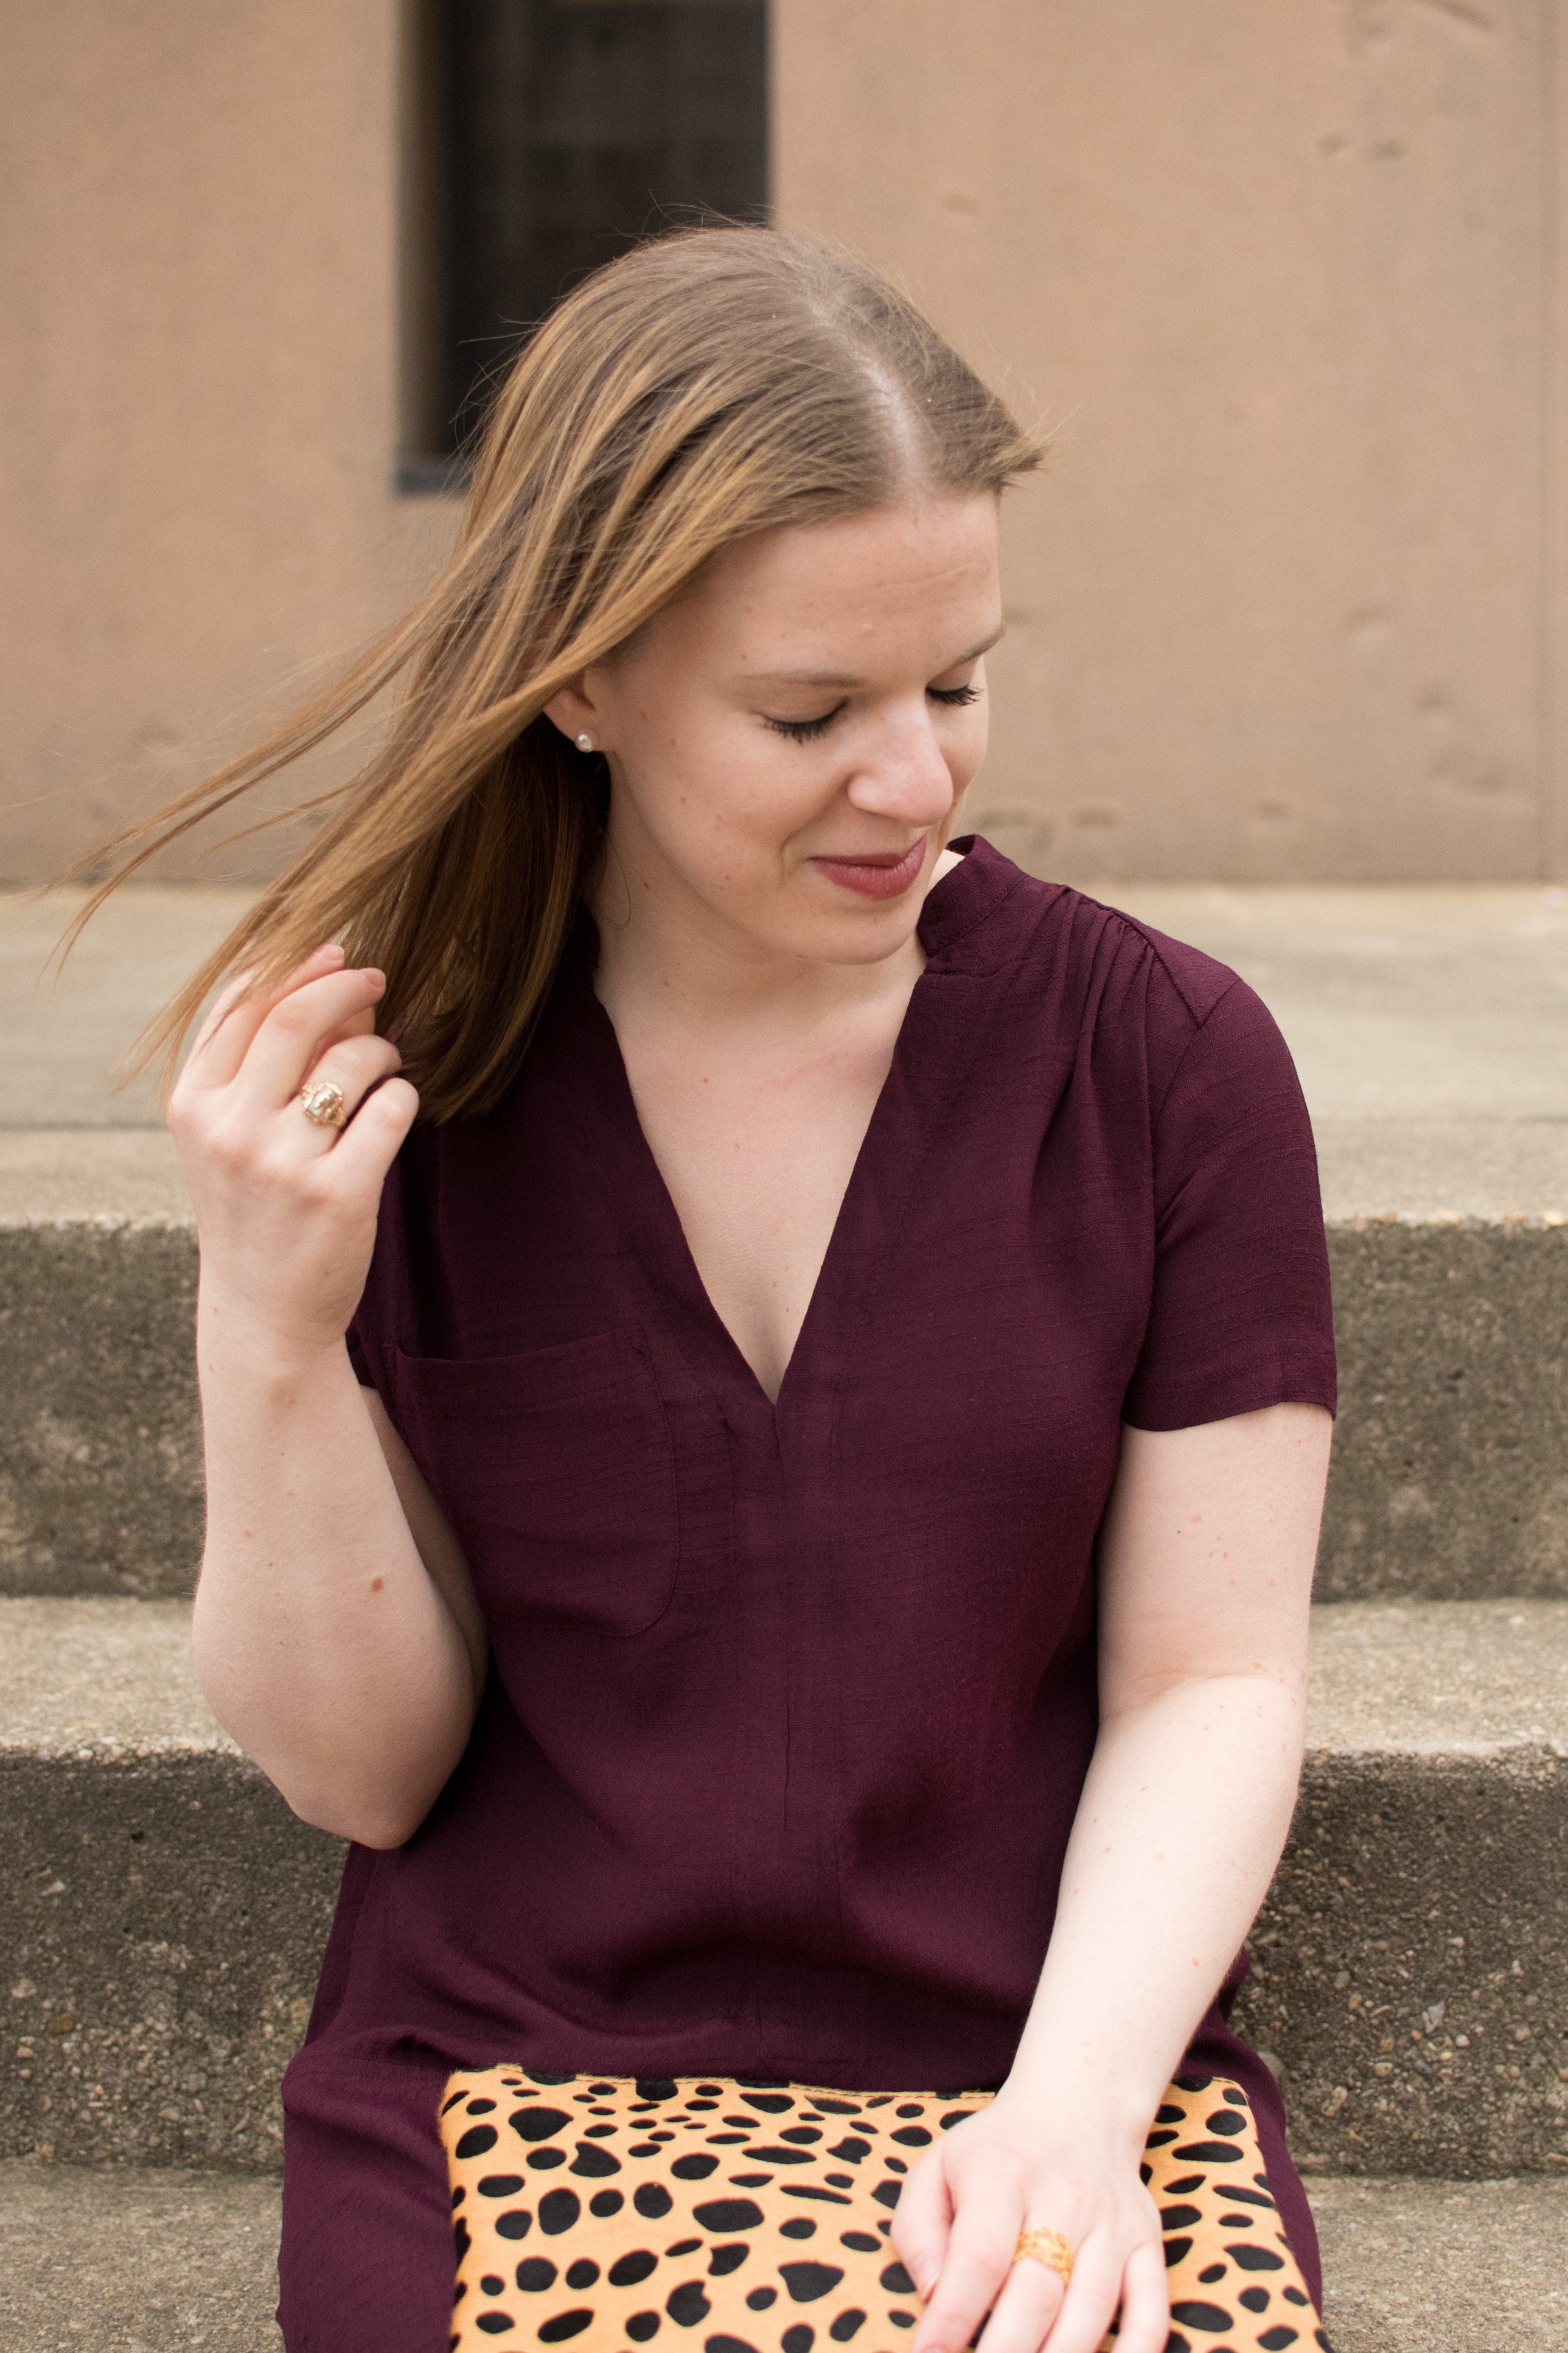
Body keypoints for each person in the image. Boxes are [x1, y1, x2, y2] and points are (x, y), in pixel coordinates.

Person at [85, 228, 1335, 2353]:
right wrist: (267, 1324)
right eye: (808, 710)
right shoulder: (421, 1090)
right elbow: (366, 1774)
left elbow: (1209, 1680)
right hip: (515, 2074)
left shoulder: (1163, 1064)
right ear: (580, 677)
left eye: (954, 683)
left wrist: (1066, 2120)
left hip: (1032, 2066)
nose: (917, 782)